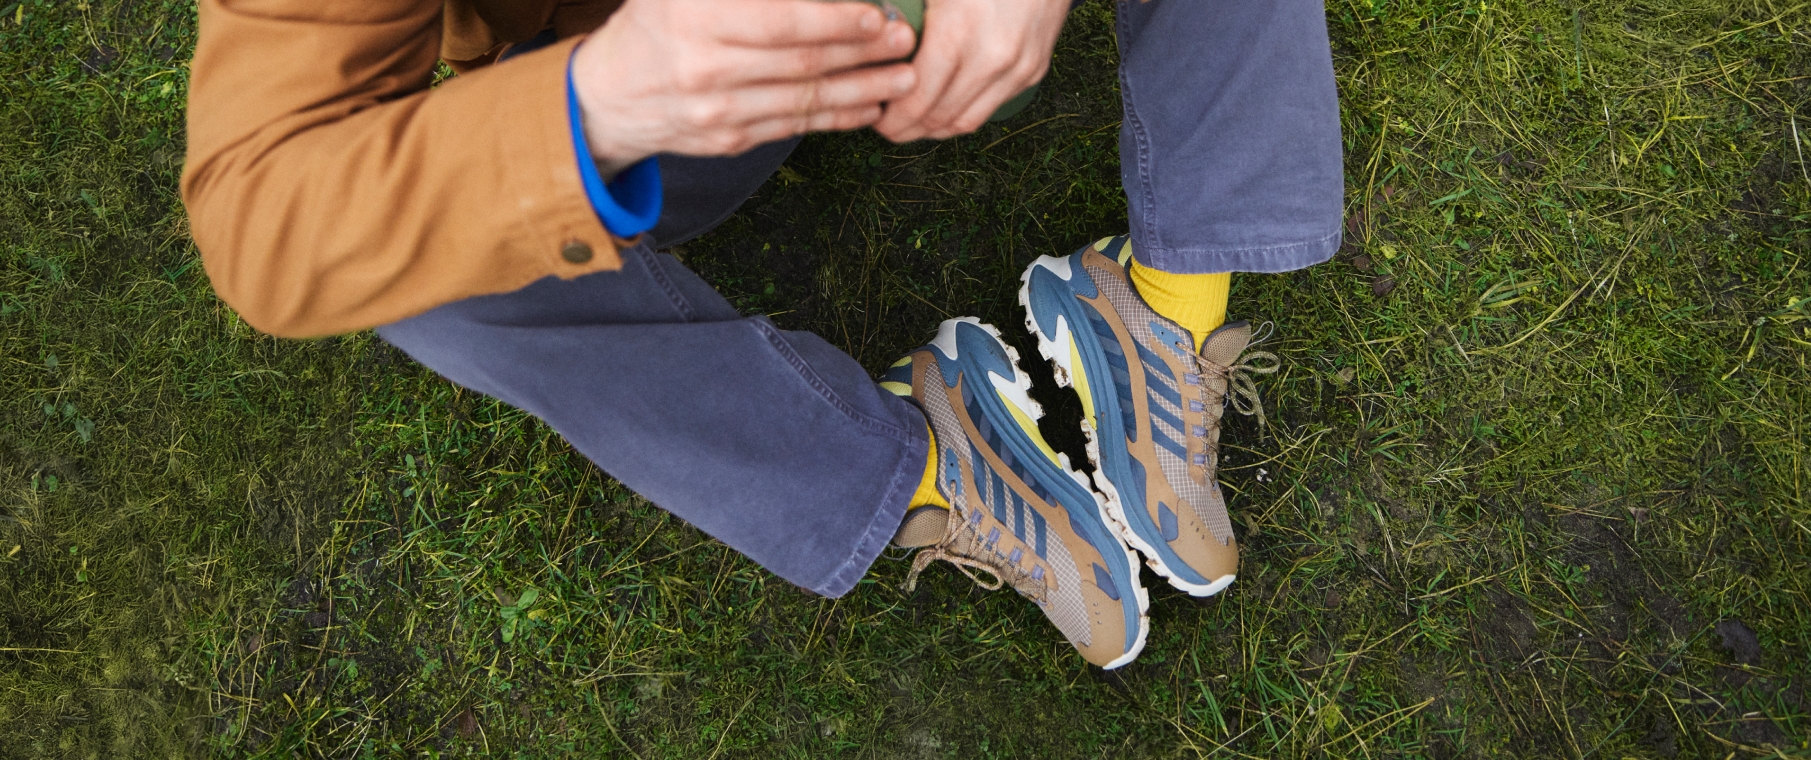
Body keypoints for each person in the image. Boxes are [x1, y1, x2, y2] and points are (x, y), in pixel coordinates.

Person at [182, 0, 1341, 669]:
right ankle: (930, 462)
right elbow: (261, 204)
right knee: (410, 261)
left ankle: (1162, 307)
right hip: (663, 99)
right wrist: (591, 110)